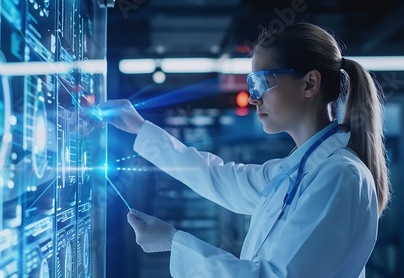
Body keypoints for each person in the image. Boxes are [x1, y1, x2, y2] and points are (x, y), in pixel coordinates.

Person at [98, 22, 390, 278]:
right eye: (253, 84)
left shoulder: (340, 176)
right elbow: (218, 177)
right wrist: (140, 128)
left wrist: (176, 243)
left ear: (309, 84)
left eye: (262, 82)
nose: (253, 98)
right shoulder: (295, 171)